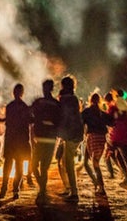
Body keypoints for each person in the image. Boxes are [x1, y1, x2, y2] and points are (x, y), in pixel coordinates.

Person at [31, 79, 61, 205]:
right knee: (42, 167)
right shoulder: (56, 104)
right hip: (49, 139)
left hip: (42, 139)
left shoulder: (38, 102)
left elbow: (32, 116)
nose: (45, 90)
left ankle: (42, 190)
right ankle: (42, 189)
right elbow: (59, 121)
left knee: (35, 166)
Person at [0, 83, 32, 200]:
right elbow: (30, 121)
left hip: (10, 139)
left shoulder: (9, 106)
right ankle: (15, 190)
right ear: (22, 93)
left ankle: (3, 188)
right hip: (21, 140)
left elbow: (8, 122)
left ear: (13, 93)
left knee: (8, 164)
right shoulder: (25, 107)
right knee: (19, 165)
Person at [57, 75, 84, 203]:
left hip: (71, 134)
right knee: (63, 162)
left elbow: (64, 117)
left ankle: (74, 192)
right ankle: (68, 188)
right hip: (76, 133)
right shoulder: (73, 98)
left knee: (68, 163)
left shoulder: (65, 99)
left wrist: (59, 131)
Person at [107, 89, 127, 194]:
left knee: (113, 155)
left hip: (115, 137)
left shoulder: (113, 108)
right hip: (126, 138)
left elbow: (109, 121)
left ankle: (125, 176)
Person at [81, 92, 113, 195]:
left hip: (92, 138)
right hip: (101, 138)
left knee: (92, 163)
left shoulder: (87, 111)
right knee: (91, 162)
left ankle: (101, 186)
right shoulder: (101, 113)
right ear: (99, 101)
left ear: (90, 100)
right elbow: (111, 122)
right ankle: (97, 183)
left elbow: (80, 122)